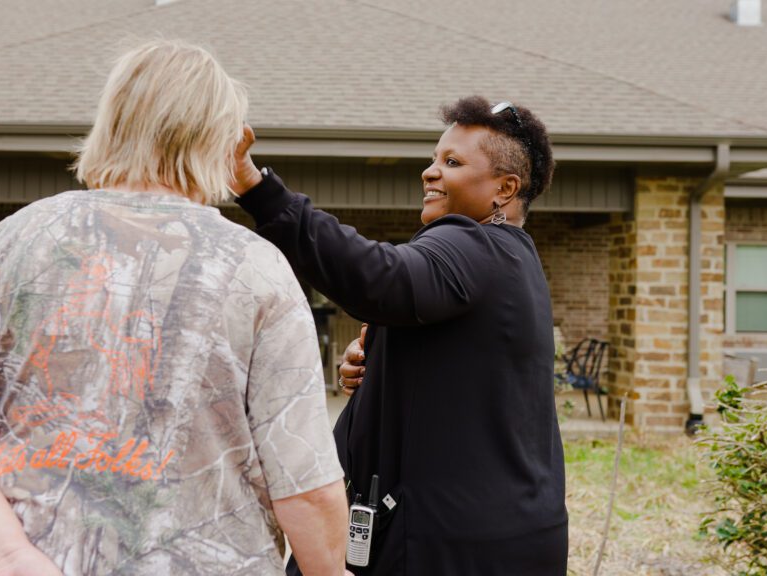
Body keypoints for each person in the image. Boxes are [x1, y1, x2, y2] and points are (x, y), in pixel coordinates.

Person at [0, 39, 350, 576]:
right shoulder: (256, 268)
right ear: (224, 141)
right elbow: (304, 482)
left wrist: (8, 559)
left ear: (112, 123)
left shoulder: (15, 242)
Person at [232, 96, 567, 575]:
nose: (430, 172)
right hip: (512, 533)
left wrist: (254, 186)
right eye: (434, 159)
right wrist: (384, 362)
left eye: (451, 162)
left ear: (504, 188)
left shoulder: (469, 242)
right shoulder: (514, 259)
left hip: (448, 545)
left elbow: (378, 277)